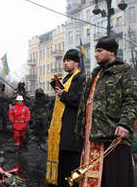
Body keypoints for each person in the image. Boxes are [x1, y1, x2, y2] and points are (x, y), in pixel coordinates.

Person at [76, 36, 137, 187]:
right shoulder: (94, 74)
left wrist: (125, 124)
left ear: (111, 52)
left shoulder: (125, 71)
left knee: (115, 179)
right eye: (95, 51)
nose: (96, 54)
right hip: (91, 137)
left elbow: (132, 99)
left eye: (100, 51)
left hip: (113, 136)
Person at [46, 49, 86, 187]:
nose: (65, 63)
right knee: (62, 168)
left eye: (68, 60)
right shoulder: (67, 78)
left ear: (76, 63)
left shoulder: (81, 78)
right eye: (64, 61)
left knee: (71, 167)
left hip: (72, 132)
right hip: (61, 133)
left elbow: (82, 100)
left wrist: (64, 95)